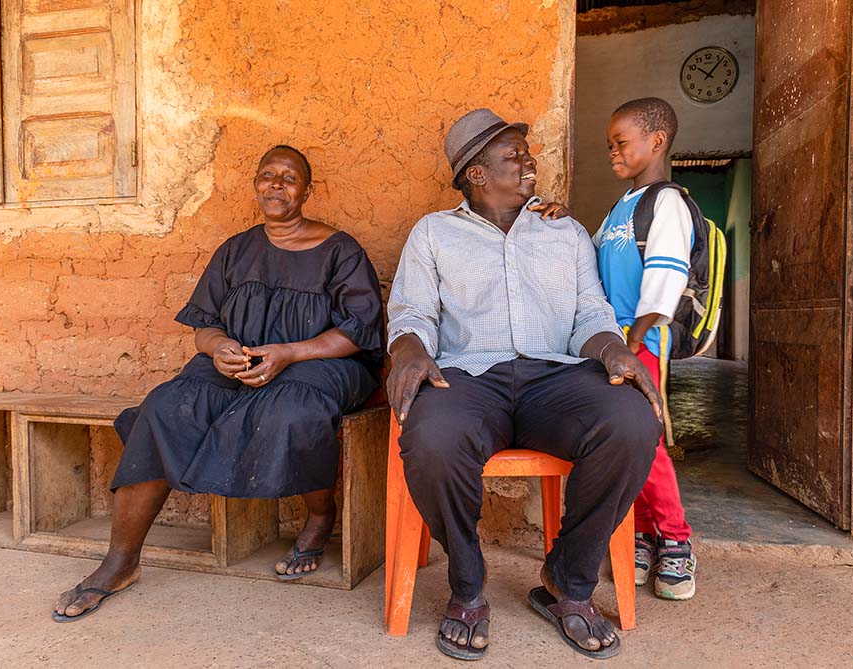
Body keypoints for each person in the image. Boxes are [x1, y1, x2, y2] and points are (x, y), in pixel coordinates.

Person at [53, 145, 384, 622]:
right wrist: (219, 348)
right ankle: (120, 562)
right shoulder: (236, 249)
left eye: (289, 178)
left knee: (292, 407)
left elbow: (359, 330)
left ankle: (319, 514)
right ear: (255, 186)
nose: (276, 185)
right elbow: (203, 325)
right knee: (165, 407)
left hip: (320, 361)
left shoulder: (340, 250)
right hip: (241, 360)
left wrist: (289, 352)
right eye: (267, 175)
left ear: (308, 191)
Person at [386, 108, 663, 661]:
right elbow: (412, 311)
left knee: (631, 422)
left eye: (525, 152)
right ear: (477, 173)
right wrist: (410, 353)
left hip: (554, 376)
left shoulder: (565, 232)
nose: (529, 160)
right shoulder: (433, 233)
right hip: (469, 376)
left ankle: (568, 581)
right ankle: (466, 585)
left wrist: (613, 350)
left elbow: (590, 313)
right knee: (432, 437)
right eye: (512, 155)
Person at [593, 97, 696, 600]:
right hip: (610, 345)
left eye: (621, 143)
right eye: (609, 145)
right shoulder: (620, 208)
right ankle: (636, 534)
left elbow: (665, 281)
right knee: (620, 440)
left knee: (647, 443)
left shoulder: (667, 203)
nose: (612, 152)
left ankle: (675, 540)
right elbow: (588, 263)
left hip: (642, 344)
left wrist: (633, 342)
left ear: (655, 141)